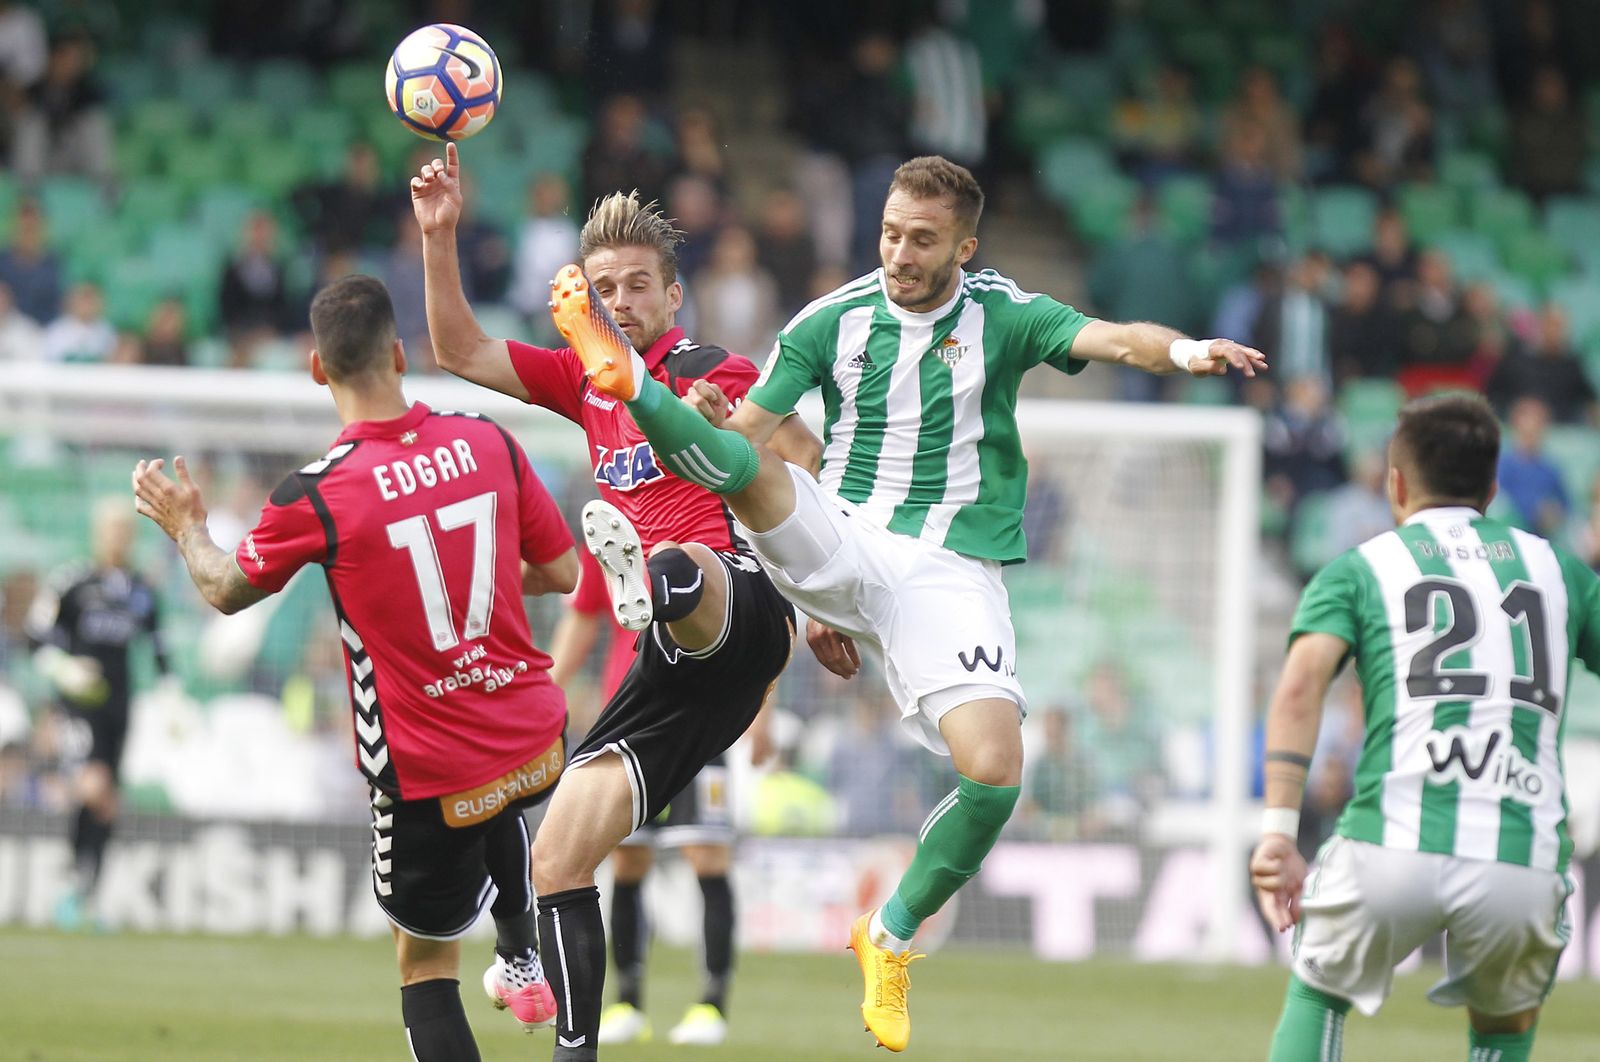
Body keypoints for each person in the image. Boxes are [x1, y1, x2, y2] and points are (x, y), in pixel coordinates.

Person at [536, 153, 1266, 1052]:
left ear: (964, 247)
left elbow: (1115, 341)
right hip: (841, 532)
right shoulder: (829, 321)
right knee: (748, 467)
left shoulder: (1005, 315)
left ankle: (887, 935)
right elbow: (750, 434)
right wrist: (707, 421)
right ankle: (627, 390)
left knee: (994, 774)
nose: (900, 254)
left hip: (948, 573)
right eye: (889, 233)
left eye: (922, 239)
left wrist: (1189, 352)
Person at [411, 144, 804, 1062]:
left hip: (738, 603)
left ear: (672, 297)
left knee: (677, 560)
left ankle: (651, 583)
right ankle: (576, 1052)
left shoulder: (710, 366)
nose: (620, 301)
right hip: (668, 671)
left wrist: (734, 437)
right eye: (603, 289)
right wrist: (439, 234)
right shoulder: (582, 379)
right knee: (559, 856)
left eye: (636, 286)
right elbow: (459, 349)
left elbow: (805, 457)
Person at [131, 274, 580, 1061]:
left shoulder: (319, 493)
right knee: (497, 786)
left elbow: (225, 590)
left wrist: (187, 527)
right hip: (538, 742)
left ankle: (514, 957)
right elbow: (562, 571)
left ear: (317, 368)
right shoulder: (488, 439)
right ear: (401, 355)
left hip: (432, 776)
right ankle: (520, 954)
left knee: (424, 964)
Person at [1250, 394, 1593, 1062]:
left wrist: (1279, 835)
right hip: (1520, 851)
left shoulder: (1361, 568)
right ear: (1491, 489)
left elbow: (1298, 685)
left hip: (1390, 840)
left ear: (1396, 484)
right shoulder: (1559, 570)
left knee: (1319, 995)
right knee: (1501, 1030)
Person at [553, 548, 767, 1048]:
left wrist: (764, 712)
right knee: (627, 862)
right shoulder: (606, 537)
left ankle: (712, 1003)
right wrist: (546, 694)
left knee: (707, 855)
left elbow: (757, 614)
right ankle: (627, 1002)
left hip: (702, 720)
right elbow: (582, 618)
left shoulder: (707, 533)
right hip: (629, 724)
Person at [25, 496, 170, 928]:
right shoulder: (72, 582)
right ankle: (75, 884)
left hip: (119, 706)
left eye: (124, 530)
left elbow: (158, 645)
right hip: (80, 705)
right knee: (93, 786)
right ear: (97, 534)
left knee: (108, 804)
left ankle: (85, 894)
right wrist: (63, 668)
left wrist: (172, 694)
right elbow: (36, 634)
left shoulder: (140, 591)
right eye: (111, 530)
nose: (117, 538)